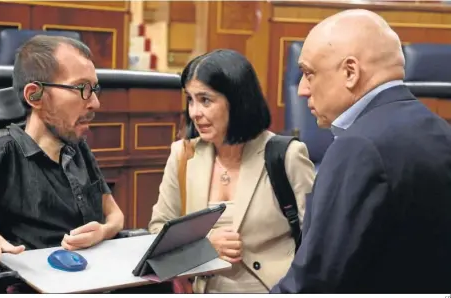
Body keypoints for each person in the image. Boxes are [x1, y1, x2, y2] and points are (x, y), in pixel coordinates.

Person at [271, 9, 451, 293]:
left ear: (350, 72)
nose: (303, 89)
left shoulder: (358, 148)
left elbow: (315, 283)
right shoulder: (440, 130)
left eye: (308, 73)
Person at [0, 35, 124, 289]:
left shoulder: (78, 148)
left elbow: (115, 215)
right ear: (35, 96)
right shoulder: (2, 156)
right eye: (82, 89)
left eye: (95, 89)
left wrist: (104, 231)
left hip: (92, 281)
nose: (95, 102)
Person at [148, 49, 316, 293]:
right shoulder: (183, 155)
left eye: (206, 100)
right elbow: (157, 235)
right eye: (190, 99)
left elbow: (316, 239)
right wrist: (204, 249)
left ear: (237, 102)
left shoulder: (287, 155)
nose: (195, 112)